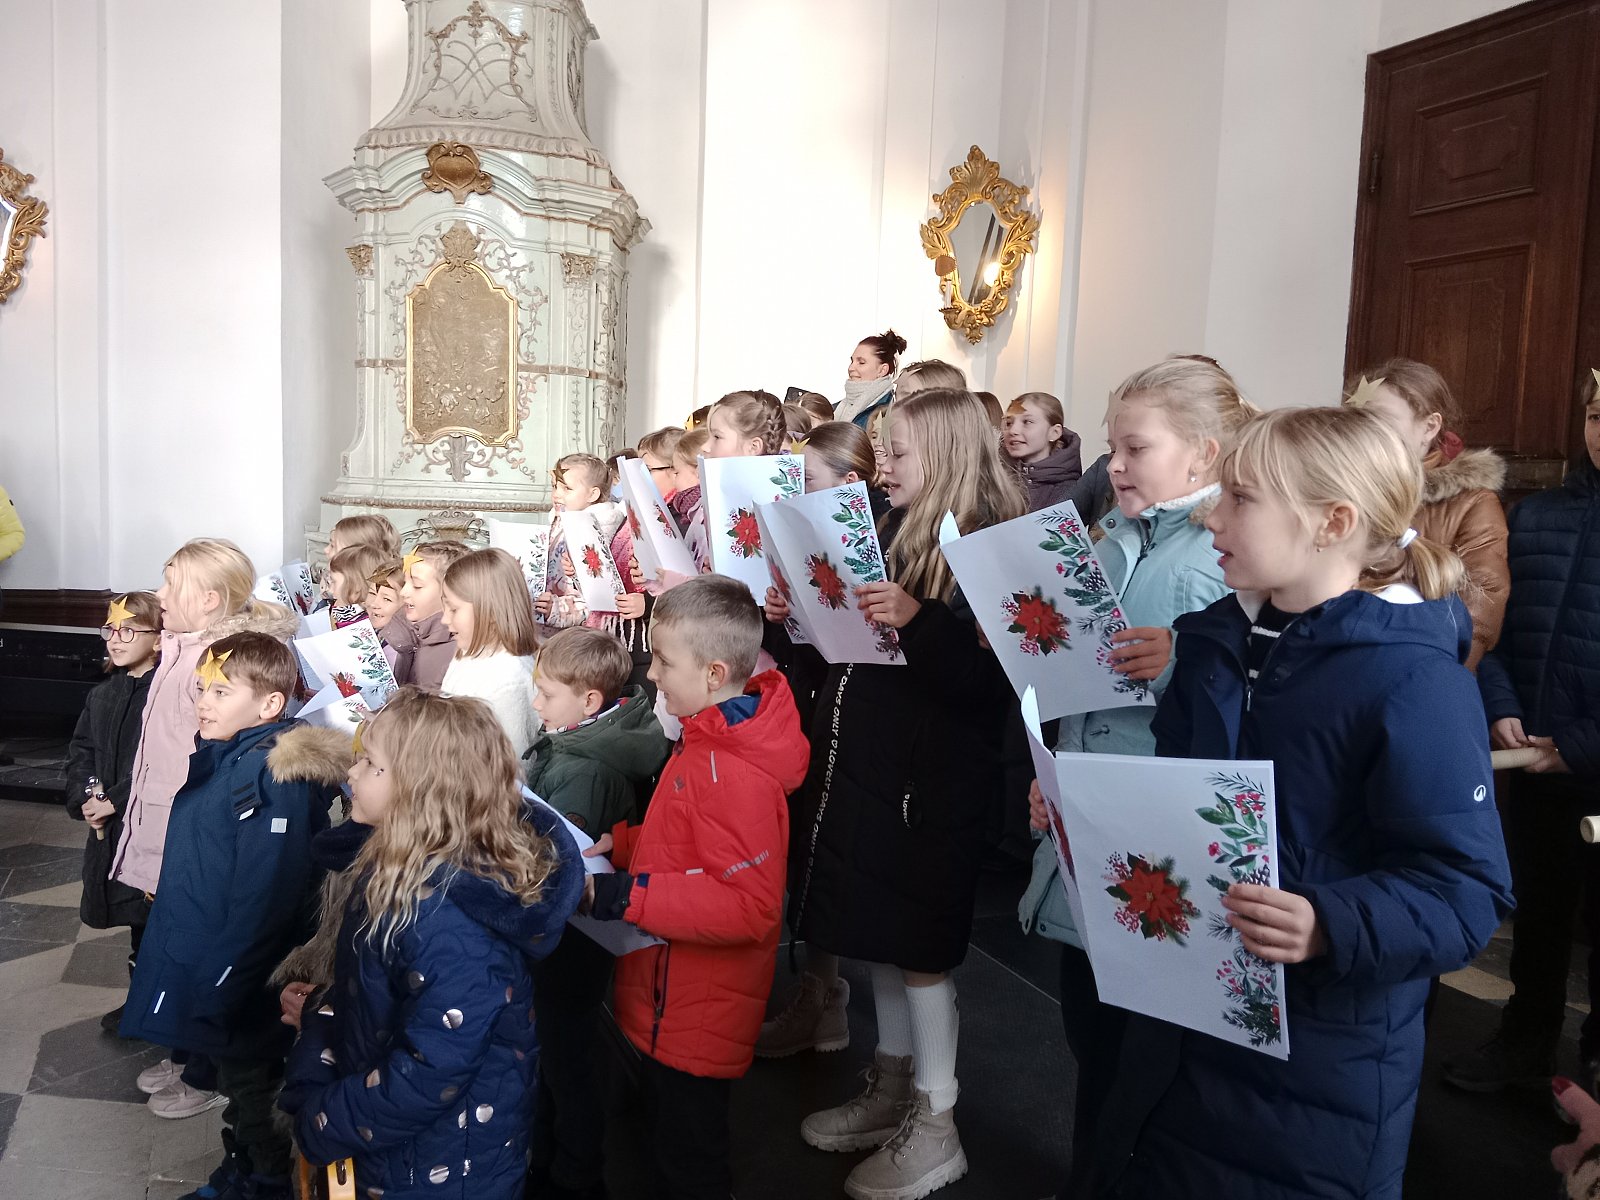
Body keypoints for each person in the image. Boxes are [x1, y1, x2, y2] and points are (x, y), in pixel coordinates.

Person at [1083, 405, 1513, 1197]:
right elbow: (1183, 804)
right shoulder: (1212, 642)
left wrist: (1329, 923)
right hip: (1182, 1029)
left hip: (1320, 1070)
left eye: (1241, 498)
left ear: (1332, 522)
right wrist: (1092, 817)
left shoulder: (1415, 679)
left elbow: (1466, 893)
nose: (1213, 515)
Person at [767, 388, 1025, 1200]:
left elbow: (988, 686)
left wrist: (918, 619)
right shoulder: (889, 528)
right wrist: (798, 617)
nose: (883, 468)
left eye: (900, 453)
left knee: (921, 949)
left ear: (943, 455)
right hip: (878, 764)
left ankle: (937, 1119)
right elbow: (854, 648)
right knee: (879, 933)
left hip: (932, 784)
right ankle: (890, 1083)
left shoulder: (988, 545)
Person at [1016, 356, 1253, 1195]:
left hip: (1162, 840)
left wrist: (1185, 654)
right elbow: (1088, 688)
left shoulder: (1223, 552)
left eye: (1135, 449)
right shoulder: (1114, 539)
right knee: (1095, 1042)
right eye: (1112, 448)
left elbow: (1255, 693)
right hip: (1095, 816)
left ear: (1204, 454)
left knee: (1145, 1070)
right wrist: (1055, 771)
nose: (1113, 466)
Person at [278, 688, 583, 1200]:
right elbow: (390, 995)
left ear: (422, 790)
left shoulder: (448, 922)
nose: (351, 773)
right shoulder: (399, 871)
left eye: (371, 764)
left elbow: (429, 1072)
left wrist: (324, 1121)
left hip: (438, 1171)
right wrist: (325, 1011)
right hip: (400, 1157)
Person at [580, 576, 809, 1198]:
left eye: (662, 660)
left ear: (713, 674)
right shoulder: (706, 736)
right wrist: (621, 846)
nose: (651, 673)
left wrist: (627, 896)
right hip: (671, 996)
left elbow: (748, 906)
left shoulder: (733, 769)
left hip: (694, 1010)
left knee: (690, 1162)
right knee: (666, 1143)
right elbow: (688, 839)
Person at [122, 632, 350, 1200]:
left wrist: (225, 977)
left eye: (221, 692)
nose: (204, 702)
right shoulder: (235, 757)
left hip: (246, 970)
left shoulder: (272, 776)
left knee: (253, 1084)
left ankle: (264, 1180)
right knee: (234, 1076)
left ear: (270, 704)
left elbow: (267, 897)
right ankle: (244, 1167)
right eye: (202, 688)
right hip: (218, 956)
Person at [1442, 377, 1600, 1094]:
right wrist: (1499, 703)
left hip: (1589, 756)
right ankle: (1525, 1044)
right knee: (1540, 910)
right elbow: (1497, 627)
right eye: (1595, 415)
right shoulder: (1537, 517)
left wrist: (1584, 744)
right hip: (1533, 753)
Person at [110, 538, 298, 1120]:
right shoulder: (177, 648)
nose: (159, 593)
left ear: (211, 599)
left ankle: (206, 1067)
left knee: (202, 947)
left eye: (172, 583)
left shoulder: (220, 661)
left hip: (192, 831)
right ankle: (183, 1047)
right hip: (171, 826)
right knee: (174, 943)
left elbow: (203, 761)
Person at [524, 627, 671, 1200]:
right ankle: (554, 1160)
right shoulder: (577, 745)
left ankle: (575, 1176)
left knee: (566, 1064)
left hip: (572, 934)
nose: (536, 704)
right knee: (562, 1054)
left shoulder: (584, 769)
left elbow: (558, 857)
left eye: (546, 694)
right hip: (575, 932)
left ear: (589, 701)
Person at [1345, 356, 1509, 670]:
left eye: (1382, 420)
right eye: (1360, 420)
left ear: (1430, 426)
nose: (1369, 432)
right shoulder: (1341, 490)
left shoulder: (1472, 503)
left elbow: (1480, 605)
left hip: (1416, 668)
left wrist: (1435, 674)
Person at [66, 592, 162, 1034]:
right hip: (108, 819)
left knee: (150, 912)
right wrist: (87, 795)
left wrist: (116, 798)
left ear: (158, 638)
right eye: (110, 629)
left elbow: (161, 761)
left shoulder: (162, 695)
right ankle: (138, 1000)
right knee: (130, 913)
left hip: (145, 821)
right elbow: (82, 750)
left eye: (128, 630)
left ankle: (154, 1005)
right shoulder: (103, 694)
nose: (115, 639)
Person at [439, 547, 540, 757]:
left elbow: (517, 764)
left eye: (454, 609)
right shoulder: (466, 653)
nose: (444, 619)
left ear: (492, 612)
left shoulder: (510, 681)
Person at [399, 539, 471, 689]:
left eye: (417, 586)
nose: (403, 592)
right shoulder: (410, 633)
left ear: (450, 591)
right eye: (404, 582)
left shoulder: (456, 652)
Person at [1002, 391, 1083, 511]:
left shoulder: (1069, 491)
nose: (1013, 430)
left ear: (1054, 432)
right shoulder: (996, 480)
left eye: (1027, 422)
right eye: (1009, 423)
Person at [836, 330, 908, 428]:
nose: (851, 368)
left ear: (882, 370)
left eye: (861, 362)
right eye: (852, 361)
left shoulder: (890, 413)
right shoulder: (836, 409)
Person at [362, 557, 416, 680]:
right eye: (372, 594)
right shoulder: (370, 632)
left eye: (387, 599)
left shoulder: (397, 649)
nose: (374, 604)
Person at [326, 542, 387, 630]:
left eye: (334, 582)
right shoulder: (339, 608)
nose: (330, 590)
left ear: (357, 587)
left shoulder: (368, 625)